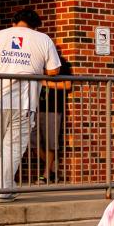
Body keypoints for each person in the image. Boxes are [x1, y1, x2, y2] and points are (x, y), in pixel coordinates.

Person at [0, 8, 61, 202]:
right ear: (35, 25)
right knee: (13, 146)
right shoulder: (43, 39)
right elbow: (54, 70)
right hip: (25, 103)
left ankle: (3, 185)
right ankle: (2, 188)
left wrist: (3, 68)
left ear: (14, 22)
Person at [31, 56, 72, 184]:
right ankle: (52, 166)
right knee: (32, 142)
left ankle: (46, 175)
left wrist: (44, 82)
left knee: (50, 143)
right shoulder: (36, 63)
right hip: (35, 108)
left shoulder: (62, 64)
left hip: (53, 109)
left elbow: (67, 85)